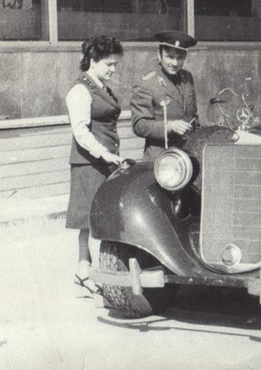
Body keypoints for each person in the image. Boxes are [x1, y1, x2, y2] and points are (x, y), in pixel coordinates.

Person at [65, 36, 125, 295]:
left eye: (116, 64)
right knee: (93, 221)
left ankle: (83, 271)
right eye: (109, 64)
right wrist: (104, 154)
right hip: (90, 164)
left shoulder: (100, 87)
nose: (113, 69)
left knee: (89, 221)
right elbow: (81, 132)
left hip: (103, 162)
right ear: (93, 60)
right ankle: (102, 276)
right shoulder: (80, 90)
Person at [131, 30, 200, 162]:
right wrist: (170, 126)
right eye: (170, 57)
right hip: (161, 159)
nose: (175, 63)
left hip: (187, 156)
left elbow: (193, 117)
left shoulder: (187, 78)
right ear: (159, 55)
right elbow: (139, 125)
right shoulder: (147, 83)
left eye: (180, 58)